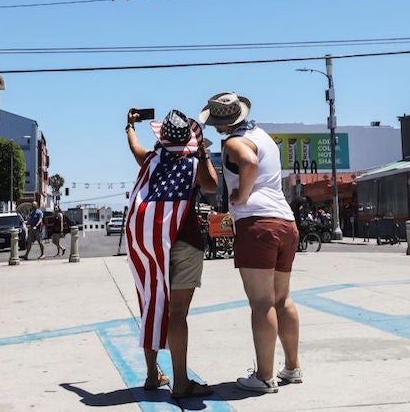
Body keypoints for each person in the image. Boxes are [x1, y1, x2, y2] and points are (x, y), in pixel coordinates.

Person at [199, 91, 301, 393]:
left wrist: (241, 195)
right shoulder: (263, 135)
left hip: (257, 224)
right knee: (282, 299)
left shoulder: (233, 141)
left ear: (220, 121)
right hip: (285, 222)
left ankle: (265, 376)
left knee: (261, 302)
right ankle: (292, 367)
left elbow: (249, 162)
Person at [125, 108, 218, 398]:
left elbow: (135, 146)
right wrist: (201, 152)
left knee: (151, 305)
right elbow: (213, 186)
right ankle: (180, 382)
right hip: (186, 243)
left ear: (163, 139)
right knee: (177, 314)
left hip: (152, 244)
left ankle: (153, 374)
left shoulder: (150, 161)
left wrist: (129, 126)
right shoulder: (193, 164)